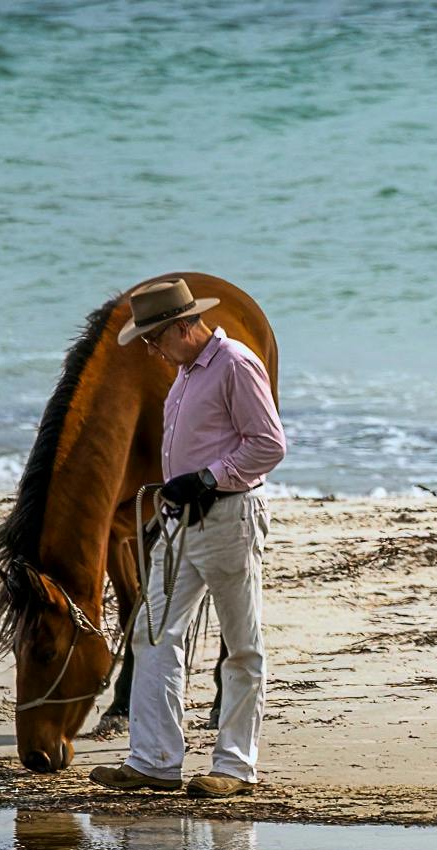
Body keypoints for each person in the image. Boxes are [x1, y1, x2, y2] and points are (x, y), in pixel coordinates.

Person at [90, 278, 285, 798]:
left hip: (229, 516)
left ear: (182, 327)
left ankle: (236, 766)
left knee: (242, 645)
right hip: (182, 521)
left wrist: (207, 478)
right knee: (154, 634)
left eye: (155, 340)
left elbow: (268, 445)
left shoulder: (236, 364)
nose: (151, 351)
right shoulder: (184, 372)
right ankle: (154, 760)